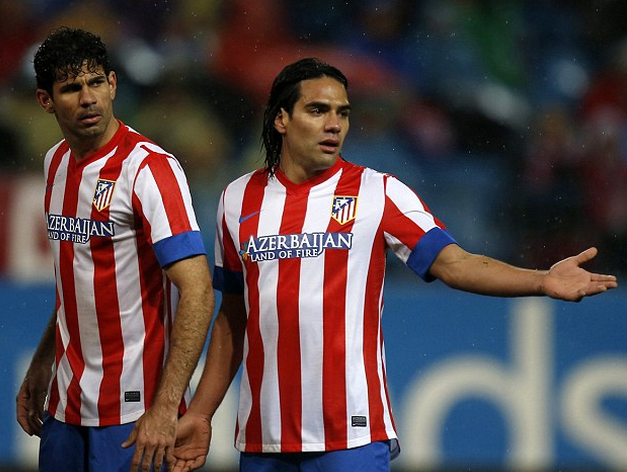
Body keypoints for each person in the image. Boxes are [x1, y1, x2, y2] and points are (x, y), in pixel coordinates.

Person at [171, 57, 618, 472]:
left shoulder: (377, 192)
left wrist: (542, 280)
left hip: (351, 435)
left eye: (343, 113)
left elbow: (455, 264)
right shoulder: (236, 199)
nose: (334, 125)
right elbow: (233, 315)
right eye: (318, 110)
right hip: (261, 440)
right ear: (281, 119)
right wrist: (203, 413)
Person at [15, 27, 215, 472]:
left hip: (134, 412)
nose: (88, 98)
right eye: (71, 88)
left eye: (96, 83)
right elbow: (77, 275)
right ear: (46, 101)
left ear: (113, 84)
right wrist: (42, 362)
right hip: (66, 405)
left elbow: (198, 290)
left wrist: (166, 407)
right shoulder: (56, 163)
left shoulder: (149, 169)